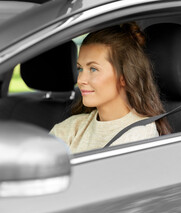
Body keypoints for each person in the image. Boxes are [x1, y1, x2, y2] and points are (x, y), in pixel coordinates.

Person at [50, 22, 171, 153]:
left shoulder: (140, 134)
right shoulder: (71, 128)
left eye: (93, 69)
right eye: (80, 68)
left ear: (124, 76)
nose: (80, 80)